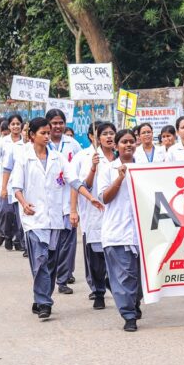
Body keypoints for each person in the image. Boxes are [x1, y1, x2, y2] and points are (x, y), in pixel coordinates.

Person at [12, 117, 103, 320]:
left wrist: (90, 198)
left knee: (50, 262)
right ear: (32, 135)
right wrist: (24, 203)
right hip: (33, 219)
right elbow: (16, 186)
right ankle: (45, 302)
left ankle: (40, 297)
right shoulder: (23, 158)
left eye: (48, 132)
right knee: (40, 259)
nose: (47, 136)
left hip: (54, 218)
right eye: (42, 133)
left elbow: (74, 180)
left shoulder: (59, 158)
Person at [98, 128, 143, 332]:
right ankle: (129, 315)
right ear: (116, 146)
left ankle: (133, 300)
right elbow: (105, 198)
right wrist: (120, 178)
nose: (128, 145)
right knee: (126, 276)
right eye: (124, 142)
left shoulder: (144, 168)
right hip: (118, 231)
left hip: (142, 232)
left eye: (131, 141)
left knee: (141, 276)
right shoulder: (108, 169)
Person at [71, 121, 114, 307]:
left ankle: (112, 284)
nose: (109, 137)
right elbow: (81, 185)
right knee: (96, 258)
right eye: (104, 133)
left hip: (116, 213)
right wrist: (93, 168)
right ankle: (98, 293)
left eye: (112, 133)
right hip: (94, 212)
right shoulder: (84, 157)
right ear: (93, 137)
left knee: (116, 255)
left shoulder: (121, 156)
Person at [45, 108, 82, 294]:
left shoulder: (73, 145)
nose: (58, 126)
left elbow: (78, 172)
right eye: (54, 123)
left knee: (68, 243)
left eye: (61, 122)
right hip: (49, 201)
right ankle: (50, 276)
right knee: (52, 243)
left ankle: (63, 278)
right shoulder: (42, 143)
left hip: (69, 200)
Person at [0, 115, 26, 251]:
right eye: (13, 124)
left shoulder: (28, 145)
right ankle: (7, 235)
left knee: (20, 216)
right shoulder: (4, 142)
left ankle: (19, 240)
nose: (16, 126)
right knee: (6, 213)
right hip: (7, 183)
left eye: (18, 124)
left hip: (23, 186)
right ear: (9, 126)